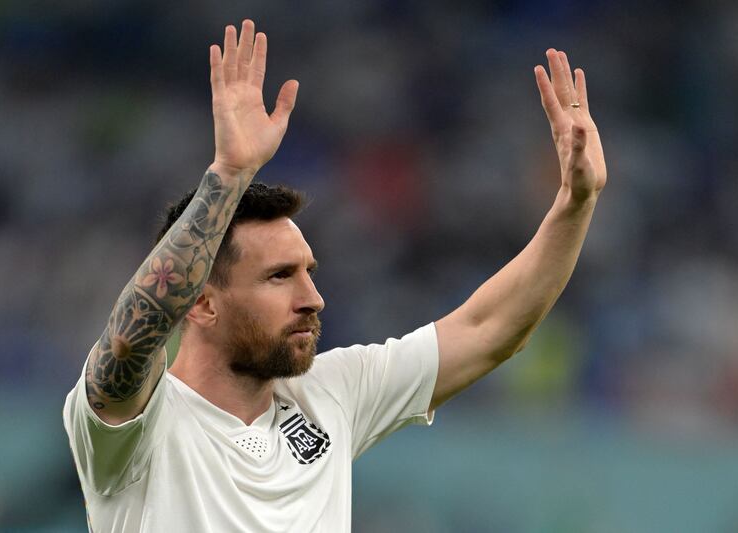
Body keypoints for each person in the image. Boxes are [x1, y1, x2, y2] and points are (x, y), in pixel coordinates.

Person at [63, 19, 606, 532]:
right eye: (279, 276)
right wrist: (229, 175)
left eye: (309, 272)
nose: (314, 299)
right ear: (201, 302)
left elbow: (488, 329)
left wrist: (575, 203)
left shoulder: (331, 394)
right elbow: (132, 338)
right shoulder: (133, 424)